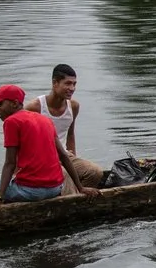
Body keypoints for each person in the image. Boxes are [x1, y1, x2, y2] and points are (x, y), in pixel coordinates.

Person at [0, 83, 69, 203]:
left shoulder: (11, 121)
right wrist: (81, 188)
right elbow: (63, 155)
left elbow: (10, 164)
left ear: (15, 103)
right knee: (10, 180)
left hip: (32, 191)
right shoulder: (45, 119)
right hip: (55, 188)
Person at [31, 62, 108, 191]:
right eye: (67, 83)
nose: (72, 88)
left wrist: (72, 160)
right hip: (42, 160)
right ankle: (72, 202)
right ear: (55, 83)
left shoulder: (73, 106)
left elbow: (70, 134)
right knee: (64, 176)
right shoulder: (35, 108)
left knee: (95, 172)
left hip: (64, 156)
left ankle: (82, 199)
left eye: (74, 84)